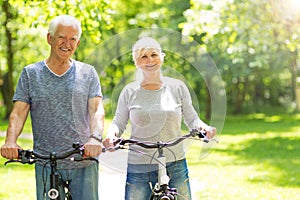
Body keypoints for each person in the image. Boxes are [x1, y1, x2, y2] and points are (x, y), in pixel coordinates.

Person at [0, 15, 104, 200]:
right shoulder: (31, 74)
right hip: (46, 162)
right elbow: (18, 113)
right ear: (50, 38)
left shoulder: (88, 73)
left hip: (83, 161)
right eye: (61, 37)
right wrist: (10, 141)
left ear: (78, 43)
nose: (67, 44)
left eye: (72, 39)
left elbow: (96, 110)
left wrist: (95, 138)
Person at [103, 37, 217, 200]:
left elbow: (192, 118)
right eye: (143, 56)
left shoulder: (177, 87)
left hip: (175, 162)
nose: (150, 60)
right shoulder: (129, 91)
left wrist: (204, 128)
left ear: (161, 57)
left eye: (154, 54)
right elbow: (118, 122)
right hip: (139, 166)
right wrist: (111, 135)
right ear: (137, 62)